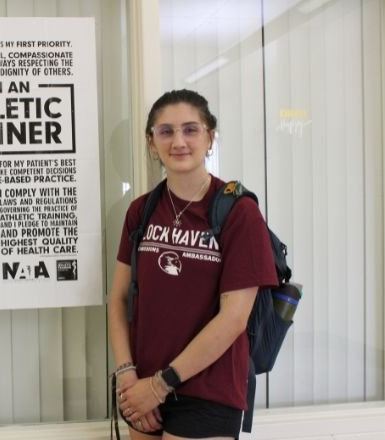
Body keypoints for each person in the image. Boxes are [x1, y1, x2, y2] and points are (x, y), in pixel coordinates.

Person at [108, 89, 278, 440]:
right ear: (151, 143)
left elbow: (234, 318)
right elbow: (119, 300)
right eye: (165, 131)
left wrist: (160, 385)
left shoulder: (238, 212)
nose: (178, 141)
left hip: (208, 390)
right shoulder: (141, 211)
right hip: (142, 389)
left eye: (191, 129)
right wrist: (128, 377)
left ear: (210, 138)